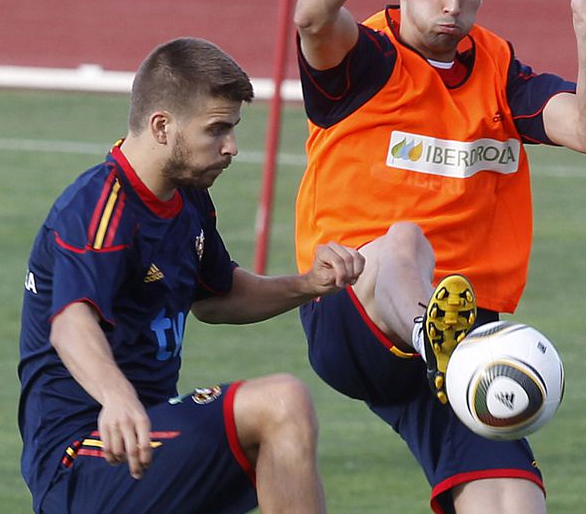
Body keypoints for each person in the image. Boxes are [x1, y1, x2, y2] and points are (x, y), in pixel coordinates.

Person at [292, 0, 586, 514]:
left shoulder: (499, 71)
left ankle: (441, 347)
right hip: (354, 307)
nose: (454, 4)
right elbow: (311, 17)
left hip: (465, 338)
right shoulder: (364, 60)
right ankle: (431, 335)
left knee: (511, 499)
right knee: (402, 242)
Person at [18, 37, 365, 514]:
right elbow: (70, 323)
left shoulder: (188, 200)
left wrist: (308, 284)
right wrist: (117, 398)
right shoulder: (99, 206)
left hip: (148, 438)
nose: (232, 147)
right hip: (88, 456)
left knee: (277, 431)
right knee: (281, 403)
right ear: (162, 126)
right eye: (217, 130)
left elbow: (218, 298)